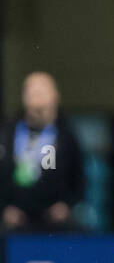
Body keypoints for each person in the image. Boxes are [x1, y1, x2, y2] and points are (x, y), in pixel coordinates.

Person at [1, 71, 85, 231]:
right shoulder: (8, 132)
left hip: (57, 222)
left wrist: (66, 205)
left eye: (42, 91)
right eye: (32, 91)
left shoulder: (68, 135)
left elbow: (80, 177)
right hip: (14, 221)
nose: (36, 96)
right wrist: (4, 207)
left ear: (55, 96)